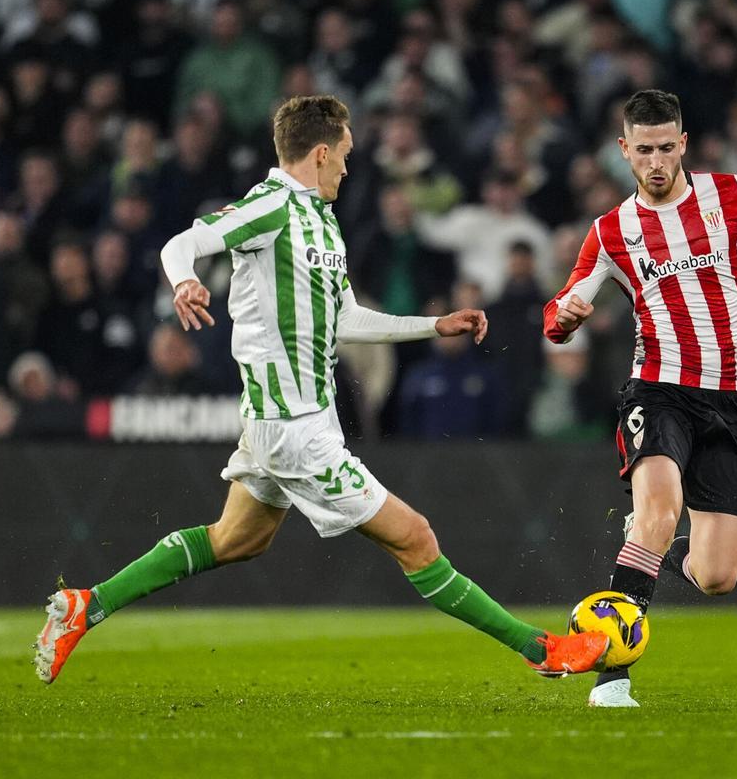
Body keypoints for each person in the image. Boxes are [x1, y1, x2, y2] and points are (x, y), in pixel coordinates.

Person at [34, 95, 607, 685]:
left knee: (235, 540)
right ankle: (539, 647)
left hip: (288, 421)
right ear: (323, 152)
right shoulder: (270, 207)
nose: (348, 169)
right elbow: (180, 244)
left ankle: (85, 606)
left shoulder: (321, 221)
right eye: (347, 157)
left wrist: (430, 326)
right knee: (415, 537)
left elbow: (344, 320)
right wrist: (184, 282)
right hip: (293, 429)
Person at [544, 89, 737, 707]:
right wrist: (568, 317)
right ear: (624, 152)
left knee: (718, 577)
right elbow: (555, 315)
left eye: (667, 147)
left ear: (684, 143)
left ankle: (649, 548)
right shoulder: (611, 232)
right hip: (658, 387)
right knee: (661, 510)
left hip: (732, 395)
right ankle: (610, 675)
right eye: (644, 151)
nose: (657, 161)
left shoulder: (734, 194)